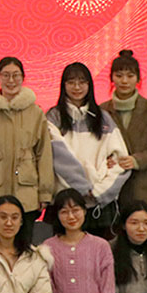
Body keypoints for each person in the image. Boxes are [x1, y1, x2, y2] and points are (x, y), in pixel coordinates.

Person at [47, 62, 130, 238]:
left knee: (100, 251)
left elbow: (122, 162)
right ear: (63, 85)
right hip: (65, 202)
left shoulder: (104, 118)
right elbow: (59, 159)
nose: (77, 87)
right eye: (71, 82)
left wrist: (100, 192)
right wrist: (84, 190)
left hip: (99, 204)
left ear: (89, 85)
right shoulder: (53, 117)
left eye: (82, 82)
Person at [100, 50, 147, 239]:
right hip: (113, 189)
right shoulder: (102, 111)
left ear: (139, 79)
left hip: (145, 185)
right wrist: (105, 161)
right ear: (111, 78)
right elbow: (95, 148)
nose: (124, 81)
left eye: (130, 76)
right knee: (114, 241)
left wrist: (136, 160)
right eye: (119, 75)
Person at [0, 57, 54, 230]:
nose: (11, 80)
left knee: (24, 242)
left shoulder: (35, 112)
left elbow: (44, 154)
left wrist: (45, 192)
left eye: (16, 75)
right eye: (6, 75)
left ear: (23, 78)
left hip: (27, 193)